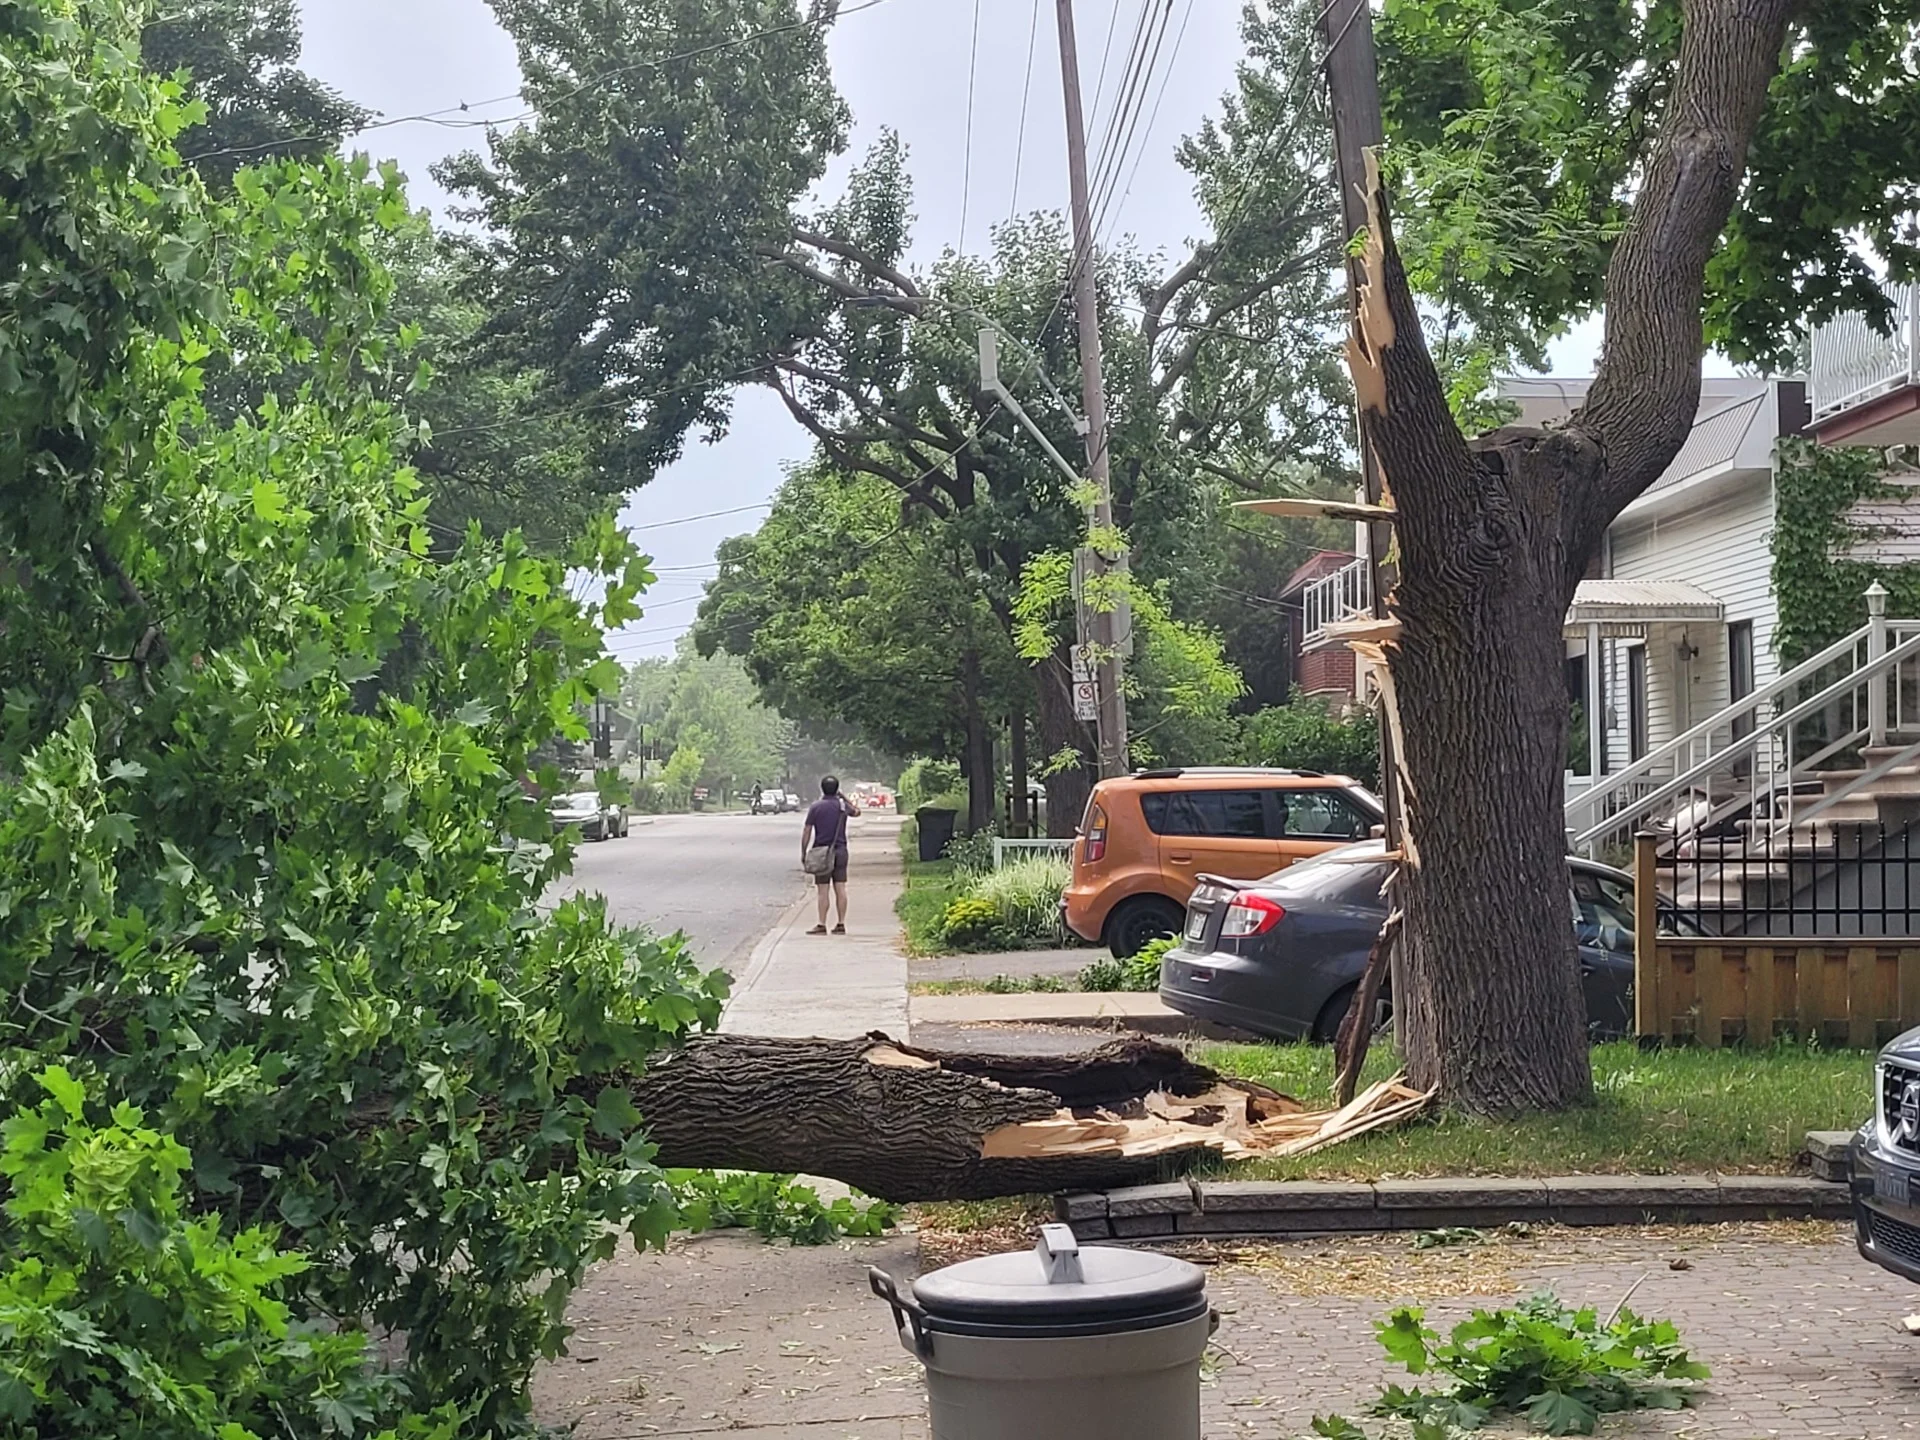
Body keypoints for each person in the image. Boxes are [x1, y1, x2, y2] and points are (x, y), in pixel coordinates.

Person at [801, 775, 855, 935]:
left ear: (822, 788)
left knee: (822, 890)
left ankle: (821, 924)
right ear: (837, 789)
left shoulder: (816, 807)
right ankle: (841, 923)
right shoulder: (843, 807)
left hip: (821, 852)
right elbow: (857, 812)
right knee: (840, 888)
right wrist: (844, 797)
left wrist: (804, 852)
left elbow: (807, 830)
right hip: (840, 851)